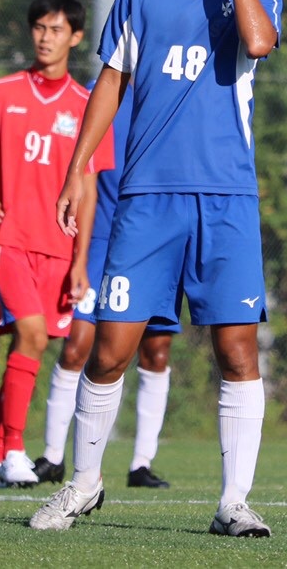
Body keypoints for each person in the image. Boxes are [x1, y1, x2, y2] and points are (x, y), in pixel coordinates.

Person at [29, 0, 282, 537]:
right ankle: (83, 484)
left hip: (226, 201)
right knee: (110, 348)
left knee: (237, 353)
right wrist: (78, 168)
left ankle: (234, 502)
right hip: (147, 200)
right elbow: (110, 81)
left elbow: (259, 42)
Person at [0, 0, 114, 489]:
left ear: (76, 37)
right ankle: (14, 451)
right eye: (39, 27)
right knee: (31, 335)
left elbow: (89, 191)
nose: (45, 38)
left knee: (27, 347)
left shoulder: (87, 107)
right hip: (7, 239)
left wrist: (80, 261)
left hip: (57, 248)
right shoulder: (0, 93)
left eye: (56, 29)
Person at [33, 83, 177, 490]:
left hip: (154, 238)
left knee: (156, 350)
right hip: (101, 240)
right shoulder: (97, 92)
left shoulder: (172, 88)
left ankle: (141, 464)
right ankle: (53, 456)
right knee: (77, 346)